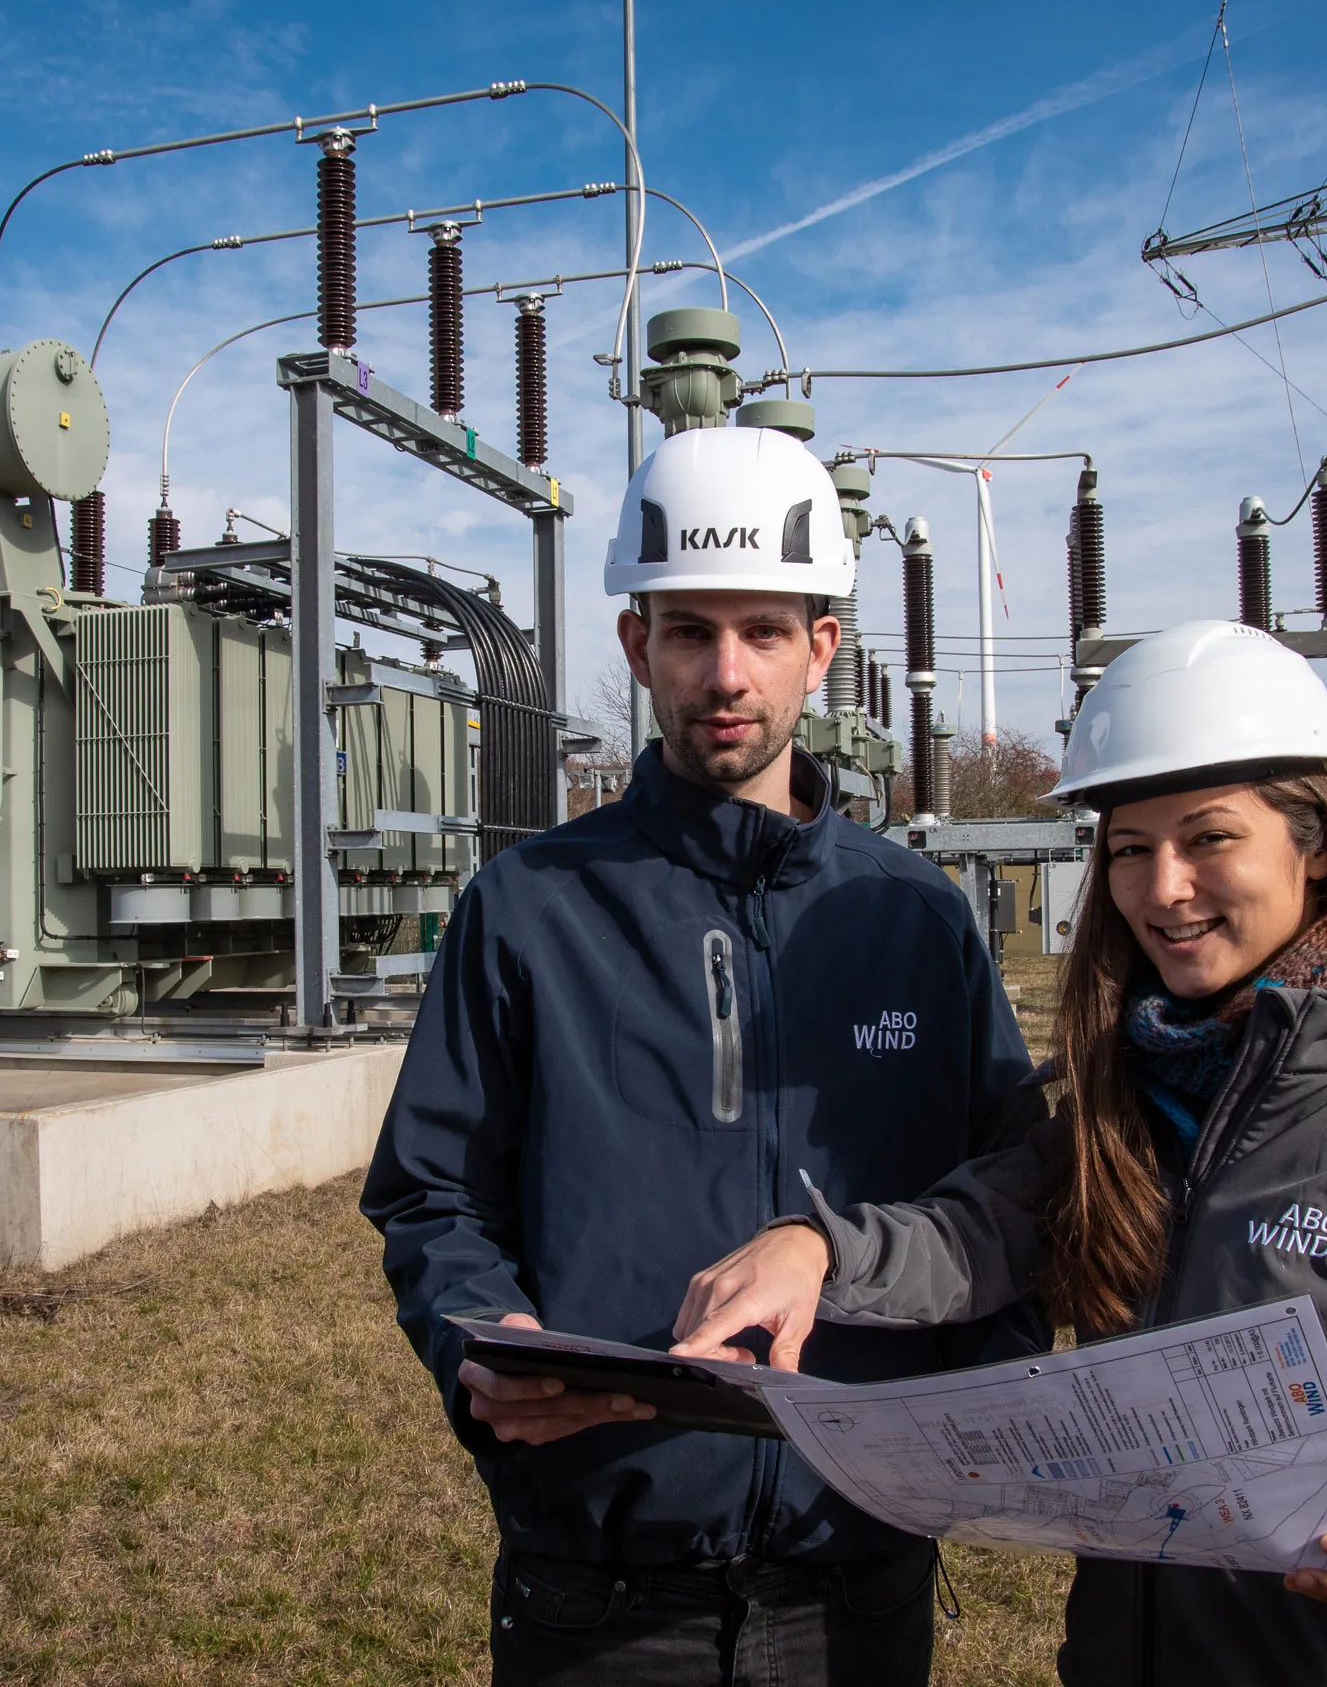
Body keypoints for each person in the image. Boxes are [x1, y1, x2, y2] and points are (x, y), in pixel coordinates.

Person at [671, 619, 1327, 1685]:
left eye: (1208, 838)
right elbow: (982, 1227)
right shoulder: (1126, 1092)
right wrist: (816, 1247)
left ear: (1315, 842)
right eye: (1131, 849)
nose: (1164, 888)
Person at [361, 424, 1036, 1686]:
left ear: (820, 647)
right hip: (599, 1589)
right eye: (689, 631)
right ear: (638, 645)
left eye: (765, 631)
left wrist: (972, 1408)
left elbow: (1009, 1185)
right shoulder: (528, 906)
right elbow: (430, 1191)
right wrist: (481, 1338)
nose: (726, 673)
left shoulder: (915, 916)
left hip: (858, 1580)